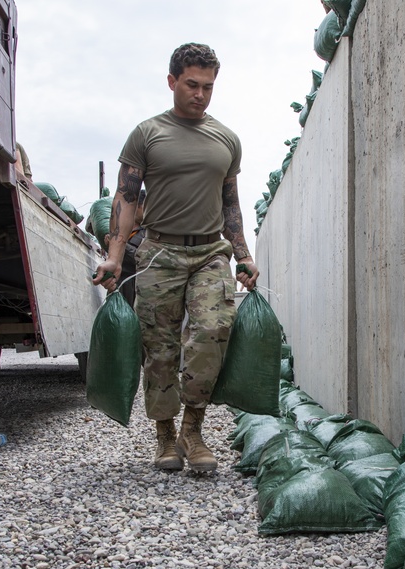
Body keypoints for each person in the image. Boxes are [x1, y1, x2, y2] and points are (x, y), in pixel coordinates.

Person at [93, 42, 259, 472]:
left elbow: (231, 204)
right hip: (159, 253)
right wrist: (114, 256)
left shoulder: (226, 139)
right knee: (159, 348)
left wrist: (243, 255)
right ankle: (165, 435)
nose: (200, 94)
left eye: (208, 86)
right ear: (172, 82)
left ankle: (194, 429)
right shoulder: (147, 134)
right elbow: (126, 199)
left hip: (209, 253)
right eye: (191, 84)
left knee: (210, 333)